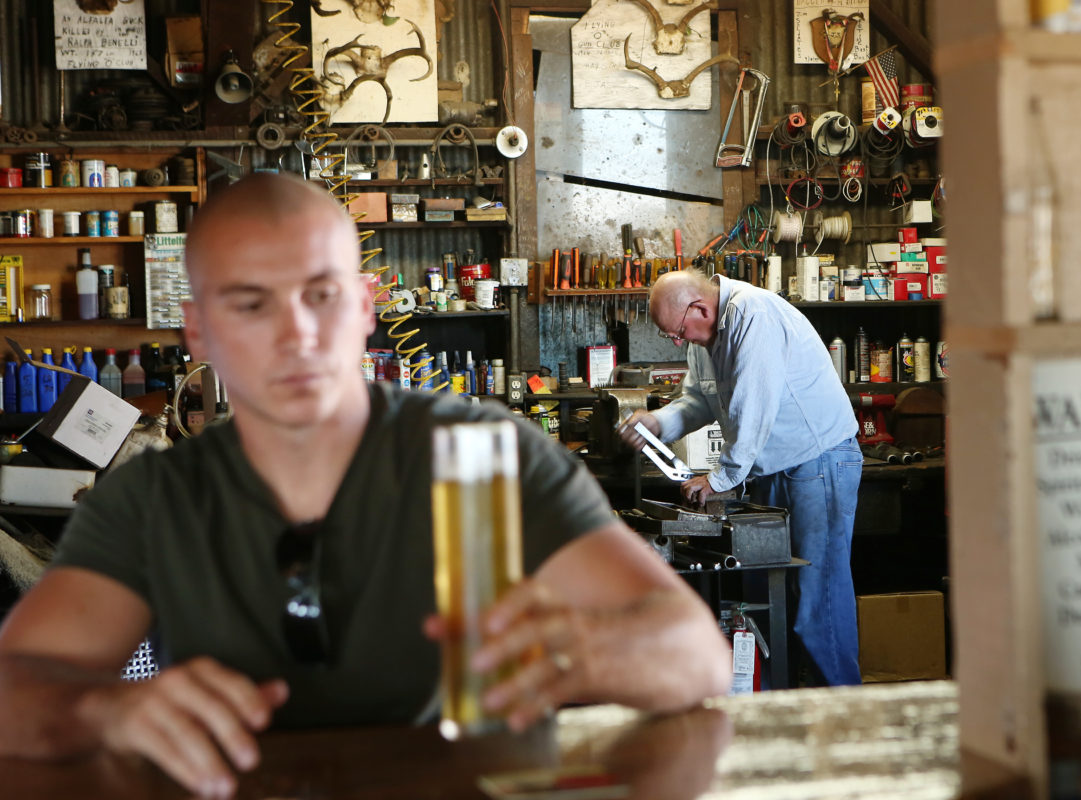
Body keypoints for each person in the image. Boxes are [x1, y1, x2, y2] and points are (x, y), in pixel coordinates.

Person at [0, 174, 731, 797]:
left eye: (319, 295)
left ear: (363, 305)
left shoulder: (481, 458)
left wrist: (580, 653)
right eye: (251, 303)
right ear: (198, 331)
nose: (297, 336)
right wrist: (107, 712)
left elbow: (697, 657)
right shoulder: (154, 499)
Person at [618, 268, 862, 687]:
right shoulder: (704, 341)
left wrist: (720, 478)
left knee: (817, 601)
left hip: (818, 460)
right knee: (767, 602)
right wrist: (657, 424)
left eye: (678, 332)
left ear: (700, 307)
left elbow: (754, 408)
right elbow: (698, 400)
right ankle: (776, 714)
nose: (679, 341)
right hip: (774, 468)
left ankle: (844, 719)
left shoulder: (754, 316)